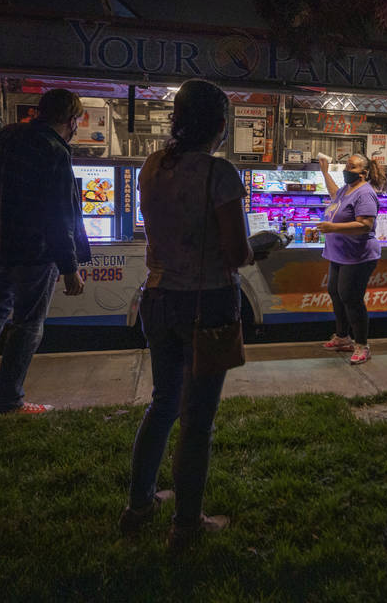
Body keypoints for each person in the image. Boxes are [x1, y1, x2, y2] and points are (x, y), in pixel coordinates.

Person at [118, 79, 253, 548]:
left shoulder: (153, 166)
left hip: (157, 297)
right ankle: (186, 526)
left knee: (163, 404)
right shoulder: (220, 174)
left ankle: (138, 506)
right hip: (207, 302)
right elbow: (236, 253)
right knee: (197, 421)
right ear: (219, 125)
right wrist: (264, 246)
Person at [0, 88, 90, 416]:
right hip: (34, 254)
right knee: (27, 325)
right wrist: (70, 267)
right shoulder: (55, 150)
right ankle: (9, 400)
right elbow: (60, 214)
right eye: (77, 119)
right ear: (70, 120)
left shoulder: (5, 137)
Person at [317, 151, 387, 365]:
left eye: (352, 167)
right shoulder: (348, 189)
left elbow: (365, 224)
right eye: (346, 166)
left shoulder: (365, 193)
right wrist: (324, 172)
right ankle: (342, 337)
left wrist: (332, 227)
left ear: (364, 173)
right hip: (340, 253)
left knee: (350, 298)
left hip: (358, 255)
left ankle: (362, 345)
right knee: (336, 293)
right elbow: (334, 193)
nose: (347, 170)